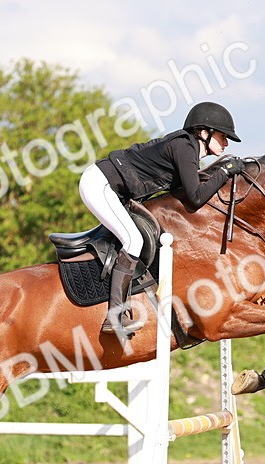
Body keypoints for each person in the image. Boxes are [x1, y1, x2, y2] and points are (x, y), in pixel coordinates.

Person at [78, 101, 244, 337]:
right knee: (133, 241)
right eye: (223, 136)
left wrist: (221, 171)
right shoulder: (184, 147)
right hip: (100, 184)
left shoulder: (188, 149)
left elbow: (191, 187)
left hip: (110, 188)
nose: (226, 143)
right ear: (204, 132)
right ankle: (115, 316)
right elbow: (196, 198)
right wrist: (224, 172)